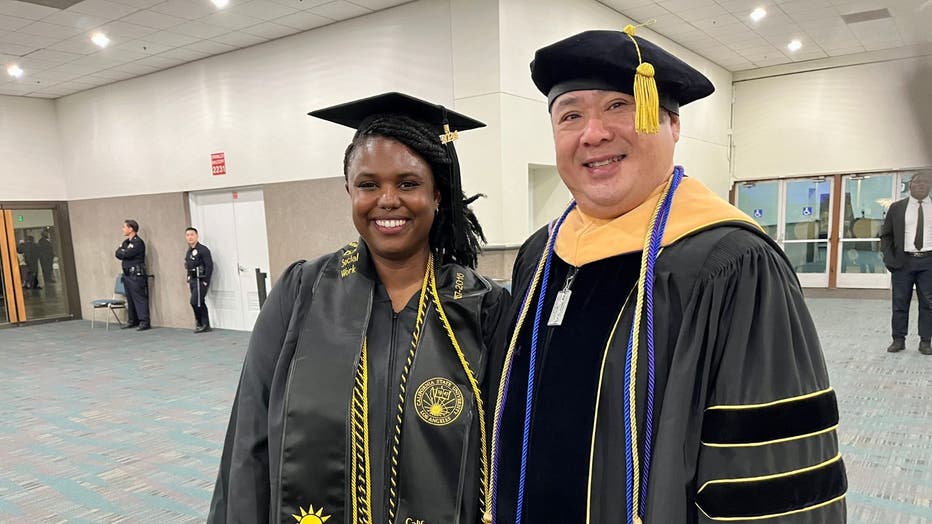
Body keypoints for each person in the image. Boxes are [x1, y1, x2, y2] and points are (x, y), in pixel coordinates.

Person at [489, 28, 847, 523]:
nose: (593, 133)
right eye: (570, 114)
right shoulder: (541, 254)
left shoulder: (732, 264)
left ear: (673, 125)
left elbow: (768, 472)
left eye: (618, 106)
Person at [209, 92, 510, 524]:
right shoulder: (301, 293)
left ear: (438, 195)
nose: (387, 200)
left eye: (408, 183)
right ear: (349, 190)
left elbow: (508, 451)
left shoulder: (481, 307)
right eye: (369, 184)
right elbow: (249, 438)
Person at [880, 171, 932, 355]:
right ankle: (898, 339)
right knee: (900, 302)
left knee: (928, 303)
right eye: (917, 182)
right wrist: (890, 259)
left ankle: (926, 341)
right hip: (903, 262)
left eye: (925, 182)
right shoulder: (897, 208)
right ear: (910, 185)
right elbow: (886, 235)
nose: (921, 185)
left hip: (928, 262)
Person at [115, 219, 150, 331]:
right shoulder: (126, 242)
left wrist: (123, 252)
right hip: (127, 275)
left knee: (139, 298)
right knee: (130, 299)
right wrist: (123, 252)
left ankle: (144, 321)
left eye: (124, 227)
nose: (123, 229)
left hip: (136, 275)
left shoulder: (138, 242)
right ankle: (132, 320)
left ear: (131, 229)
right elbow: (118, 253)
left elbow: (127, 253)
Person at [184, 227, 214, 333]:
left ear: (197, 236)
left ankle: (203, 323)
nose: (190, 237)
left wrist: (206, 280)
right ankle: (202, 323)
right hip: (192, 280)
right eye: (187, 235)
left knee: (195, 302)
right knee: (199, 302)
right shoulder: (189, 251)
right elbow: (188, 266)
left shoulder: (203, 250)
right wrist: (188, 279)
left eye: (192, 234)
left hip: (201, 280)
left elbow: (209, 266)